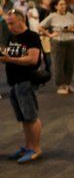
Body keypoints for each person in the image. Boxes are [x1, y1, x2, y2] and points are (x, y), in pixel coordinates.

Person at [1, 10, 44, 164]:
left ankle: (36, 149)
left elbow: (32, 59)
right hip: (14, 82)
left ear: (21, 20)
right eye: (7, 23)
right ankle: (28, 147)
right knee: (24, 118)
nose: (9, 26)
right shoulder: (11, 37)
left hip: (26, 81)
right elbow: (7, 53)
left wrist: (10, 60)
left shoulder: (31, 37)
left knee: (31, 117)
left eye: (12, 23)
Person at [39, 0, 74, 95]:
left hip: (71, 41)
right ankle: (60, 85)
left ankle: (68, 84)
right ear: (56, 6)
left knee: (69, 65)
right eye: (61, 4)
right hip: (58, 42)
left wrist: (70, 29)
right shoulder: (52, 16)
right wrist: (49, 35)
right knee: (58, 64)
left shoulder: (69, 15)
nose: (63, 6)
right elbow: (40, 26)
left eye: (64, 4)